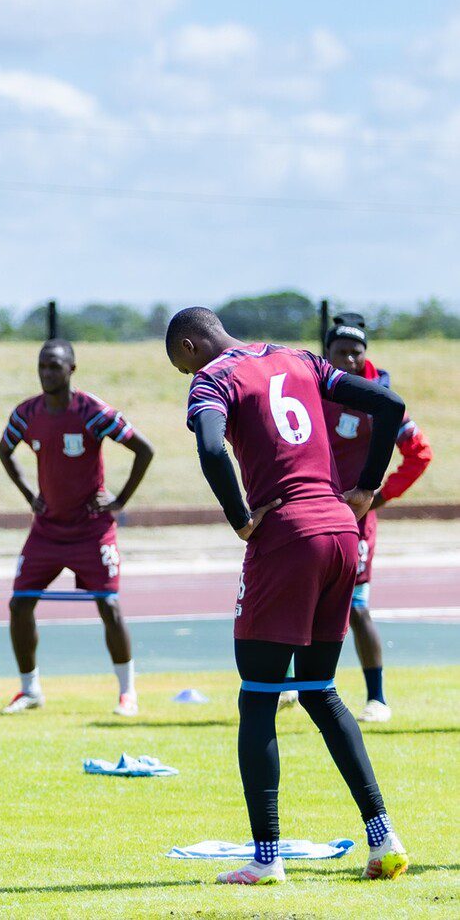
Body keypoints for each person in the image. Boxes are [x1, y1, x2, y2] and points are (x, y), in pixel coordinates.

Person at [166, 306, 409, 885]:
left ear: (190, 345)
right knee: (322, 691)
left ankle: (266, 858)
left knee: (258, 697)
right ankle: (384, 837)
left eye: (179, 364)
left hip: (287, 537)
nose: (184, 375)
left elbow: (209, 447)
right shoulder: (299, 357)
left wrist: (240, 519)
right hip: (340, 530)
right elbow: (390, 406)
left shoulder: (215, 378)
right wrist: (367, 489)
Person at [0, 339, 155, 716]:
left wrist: (119, 502)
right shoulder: (27, 413)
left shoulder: (92, 411)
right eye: (42, 366)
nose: (47, 373)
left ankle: (127, 693)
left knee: (109, 606)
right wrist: (28, 494)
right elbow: (4, 450)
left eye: (55, 366)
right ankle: (30, 689)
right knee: (19, 604)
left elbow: (144, 450)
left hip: (92, 530)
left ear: (72, 369)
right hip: (47, 530)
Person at [322, 313, 432, 723]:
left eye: (356, 352)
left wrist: (380, 497)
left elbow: (419, 454)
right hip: (312, 515)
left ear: (366, 354)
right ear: (327, 353)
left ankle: (376, 697)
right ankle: (293, 687)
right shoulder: (314, 388)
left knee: (355, 607)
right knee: (304, 599)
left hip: (354, 522)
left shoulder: (381, 399)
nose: (348, 359)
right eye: (340, 352)